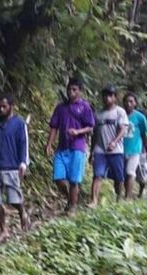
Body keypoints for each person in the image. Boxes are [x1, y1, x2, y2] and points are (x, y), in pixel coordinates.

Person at [0, 94, 30, 241]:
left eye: (4, 106)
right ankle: (3, 230)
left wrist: (23, 163)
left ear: (11, 106)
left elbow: (23, 143)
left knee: (14, 199)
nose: (1, 109)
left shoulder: (19, 123)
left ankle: (22, 212)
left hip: (11, 165)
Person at [45, 78, 95, 214]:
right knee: (58, 178)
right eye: (69, 89)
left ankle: (72, 208)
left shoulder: (84, 107)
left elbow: (90, 127)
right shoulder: (60, 108)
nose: (71, 92)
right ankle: (71, 200)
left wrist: (78, 131)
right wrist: (49, 144)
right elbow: (54, 127)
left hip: (77, 147)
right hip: (62, 147)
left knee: (74, 180)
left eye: (74, 90)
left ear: (80, 91)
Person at [89, 84, 128, 207]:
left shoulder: (120, 112)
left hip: (116, 150)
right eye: (105, 95)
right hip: (100, 150)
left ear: (115, 97)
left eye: (110, 95)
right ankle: (94, 201)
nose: (107, 98)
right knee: (97, 175)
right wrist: (91, 151)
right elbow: (95, 134)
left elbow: (123, 129)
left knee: (118, 178)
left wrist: (114, 142)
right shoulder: (98, 114)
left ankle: (118, 197)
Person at [121, 92, 147, 199]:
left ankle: (127, 197)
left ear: (135, 103)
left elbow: (145, 135)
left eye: (131, 101)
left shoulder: (140, 117)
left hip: (135, 149)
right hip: (121, 149)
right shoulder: (120, 114)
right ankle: (124, 194)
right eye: (126, 101)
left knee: (130, 172)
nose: (128, 104)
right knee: (123, 175)